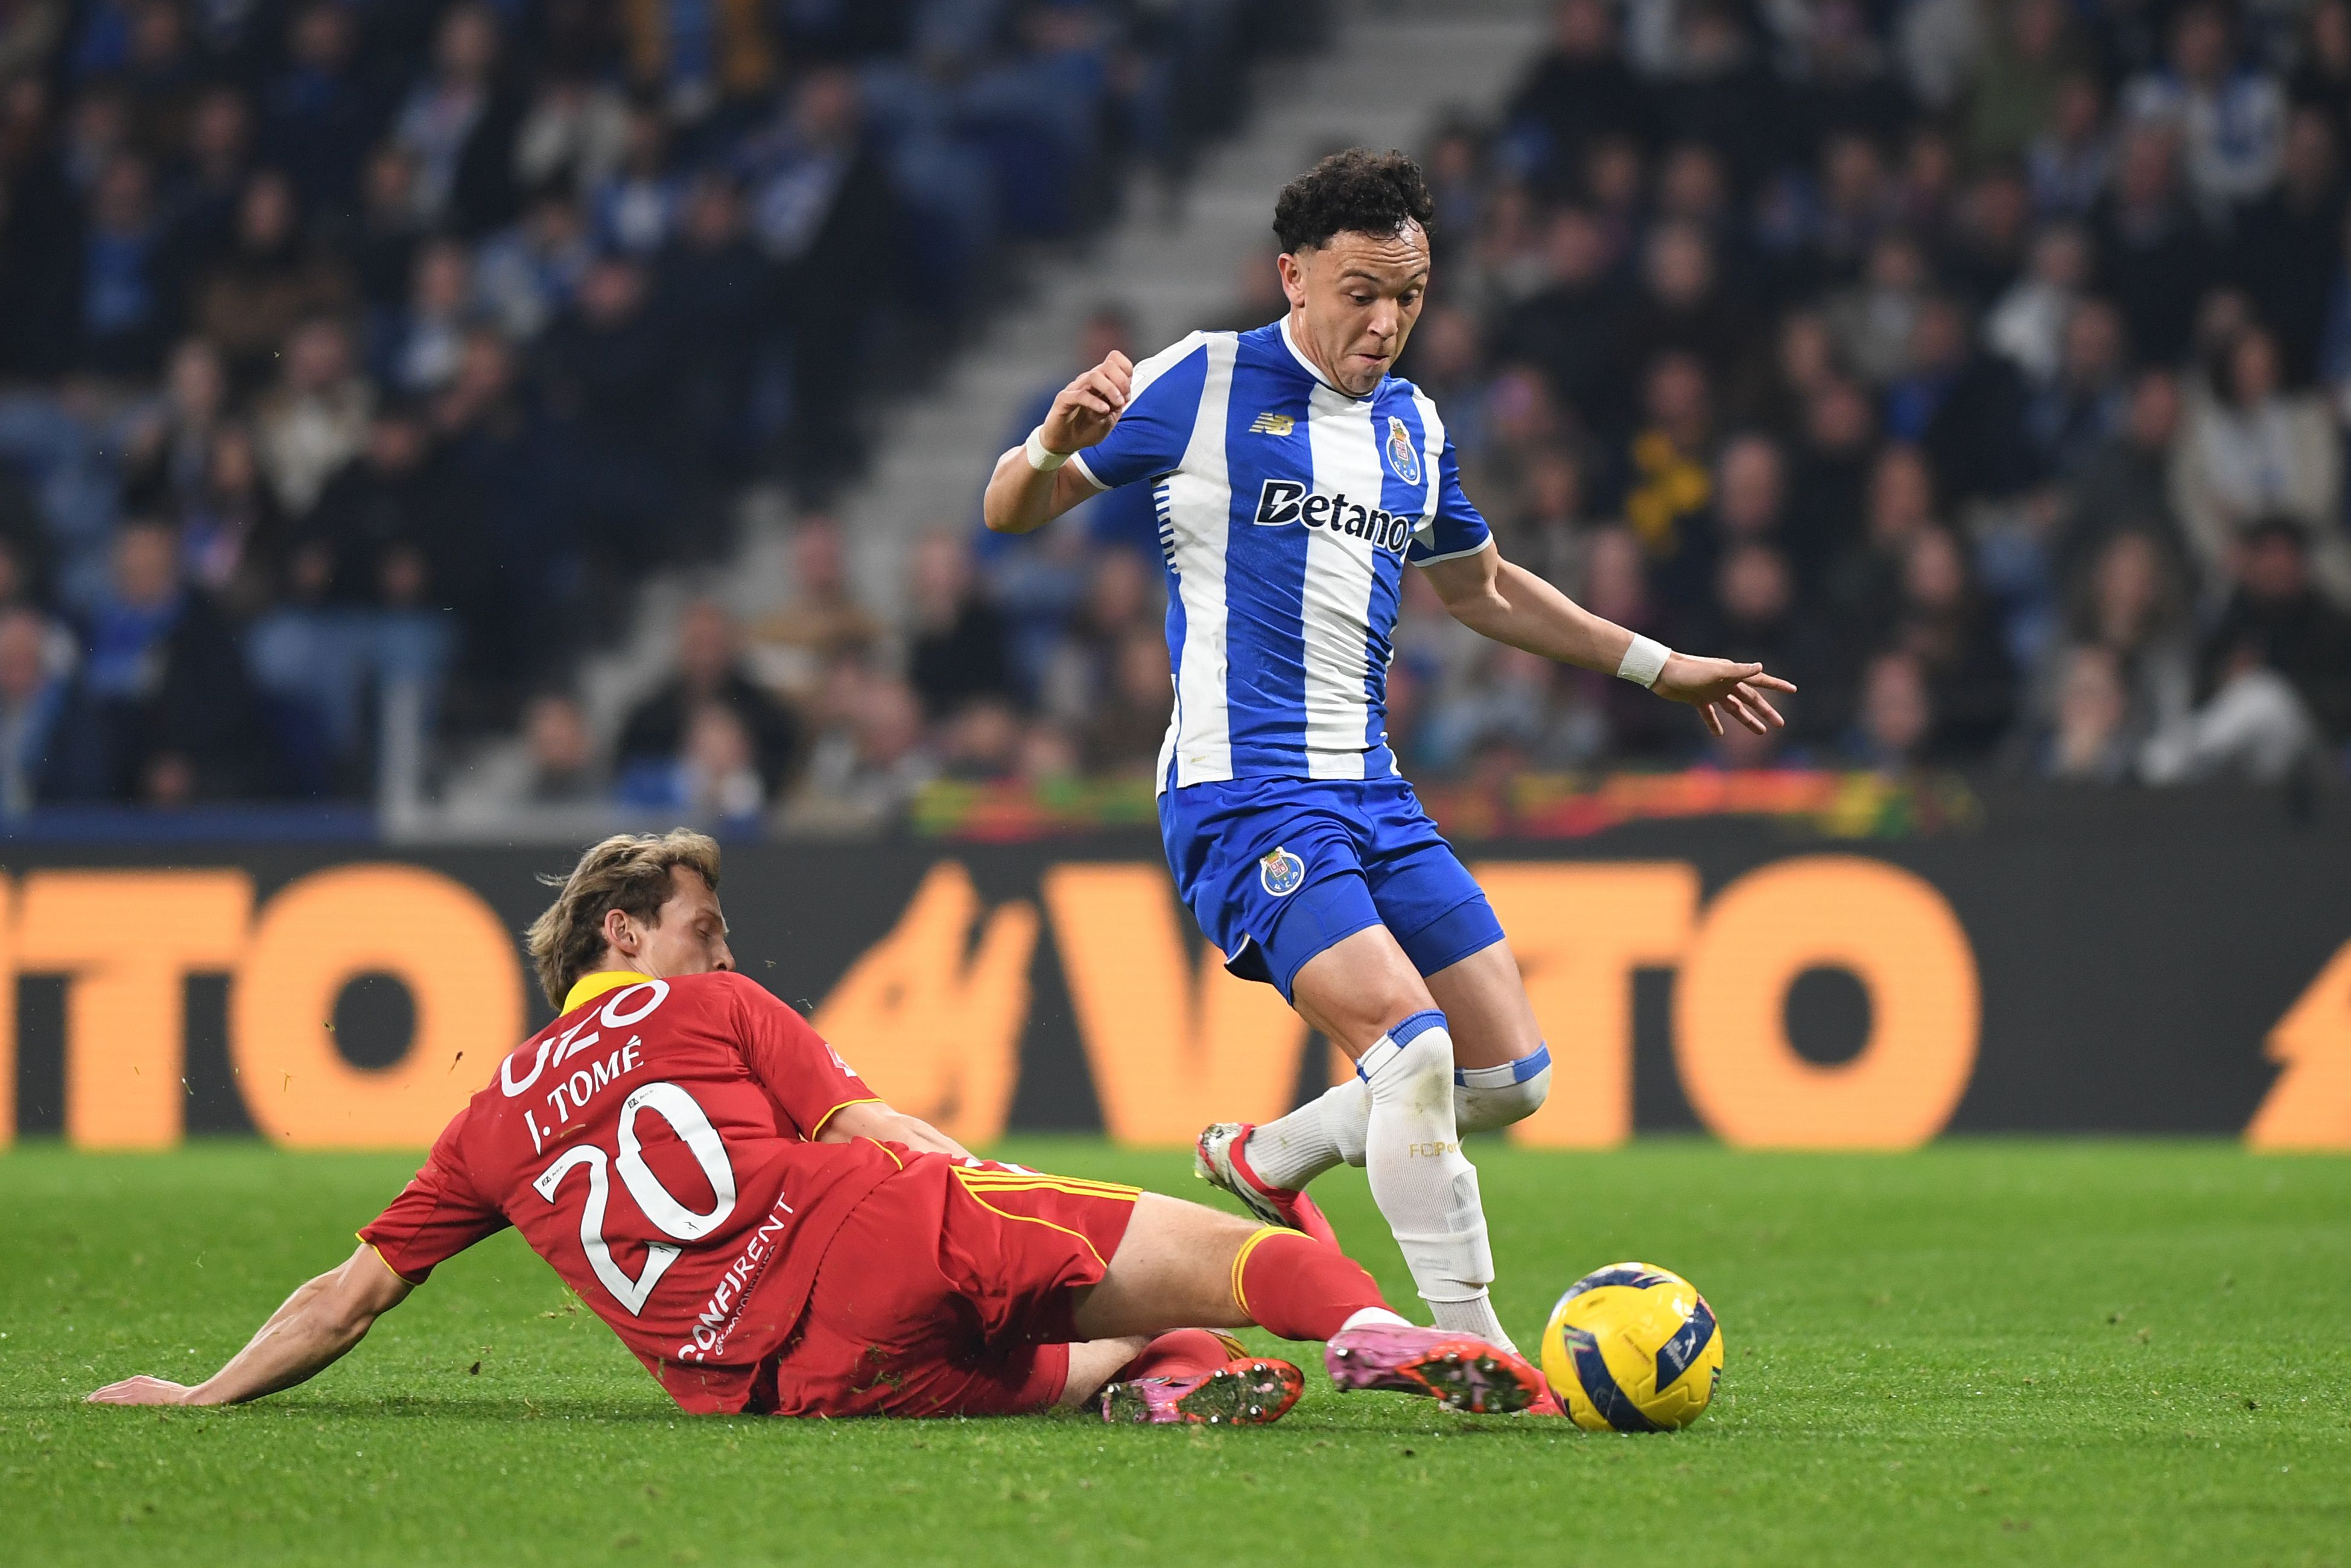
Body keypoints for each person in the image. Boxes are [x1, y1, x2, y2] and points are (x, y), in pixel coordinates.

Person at [982, 150, 1793, 1355]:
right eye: (1361, 291)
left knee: (1511, 1075)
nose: (1386, 320)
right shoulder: (1200, 380)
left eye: (1408, 295)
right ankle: (1469, 1343)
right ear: (1293, 278)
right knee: (1408, 1050)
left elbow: (1486, 588)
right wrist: (1050, 445)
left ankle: (1275, 1154)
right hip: (1242, 787)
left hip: (1370, 789)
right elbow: (1009, 509)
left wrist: (1659, 666)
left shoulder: (1411, 425)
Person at [86, 831, 1546, 1424]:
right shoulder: (708, 1010)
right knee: (1221, 1256)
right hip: (867, 1238)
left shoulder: (483, 1124)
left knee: (1111, 1347)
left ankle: (1159, 1386)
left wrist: (203, 1399)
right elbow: (877, 1127)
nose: (718, 950)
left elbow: (347, 1300)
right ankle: (1368, 1330)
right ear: (624, 931)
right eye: (700, 928)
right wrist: (1003, 1192)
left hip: (784, 1386)